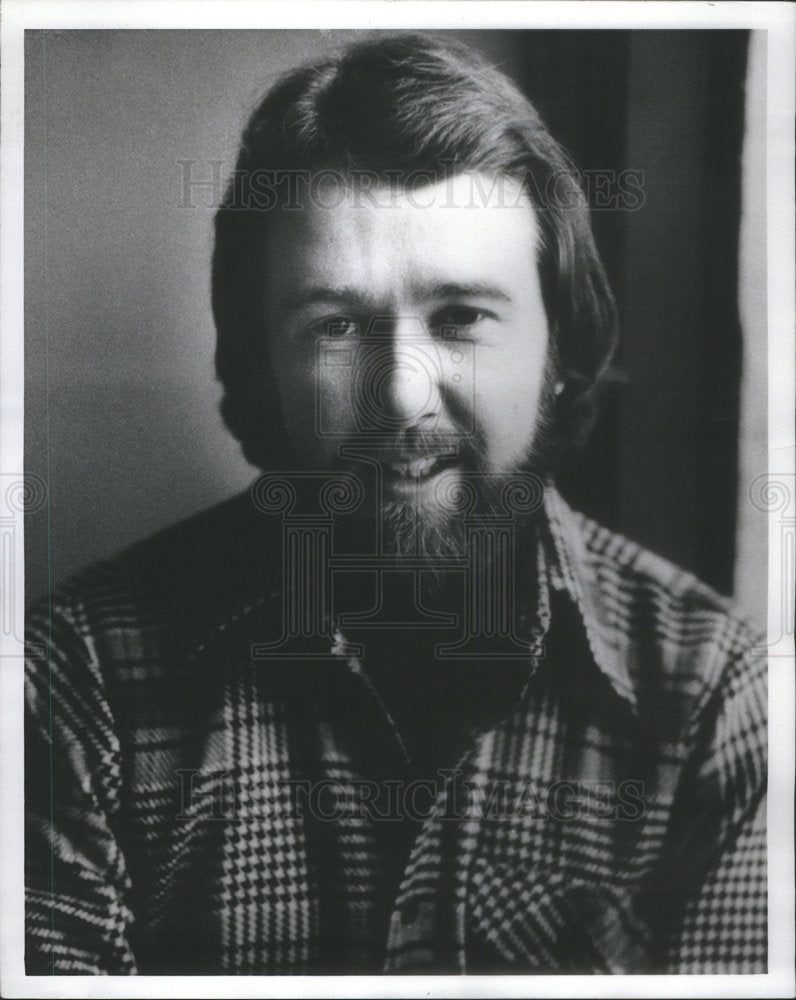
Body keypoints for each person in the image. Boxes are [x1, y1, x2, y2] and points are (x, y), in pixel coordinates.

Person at [25, 33, 766, 975]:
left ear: (561, 352)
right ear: (261, 367)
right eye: (336, 326)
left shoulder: (717, 701)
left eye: (461, 318)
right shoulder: (72, 682)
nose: (403, 397)